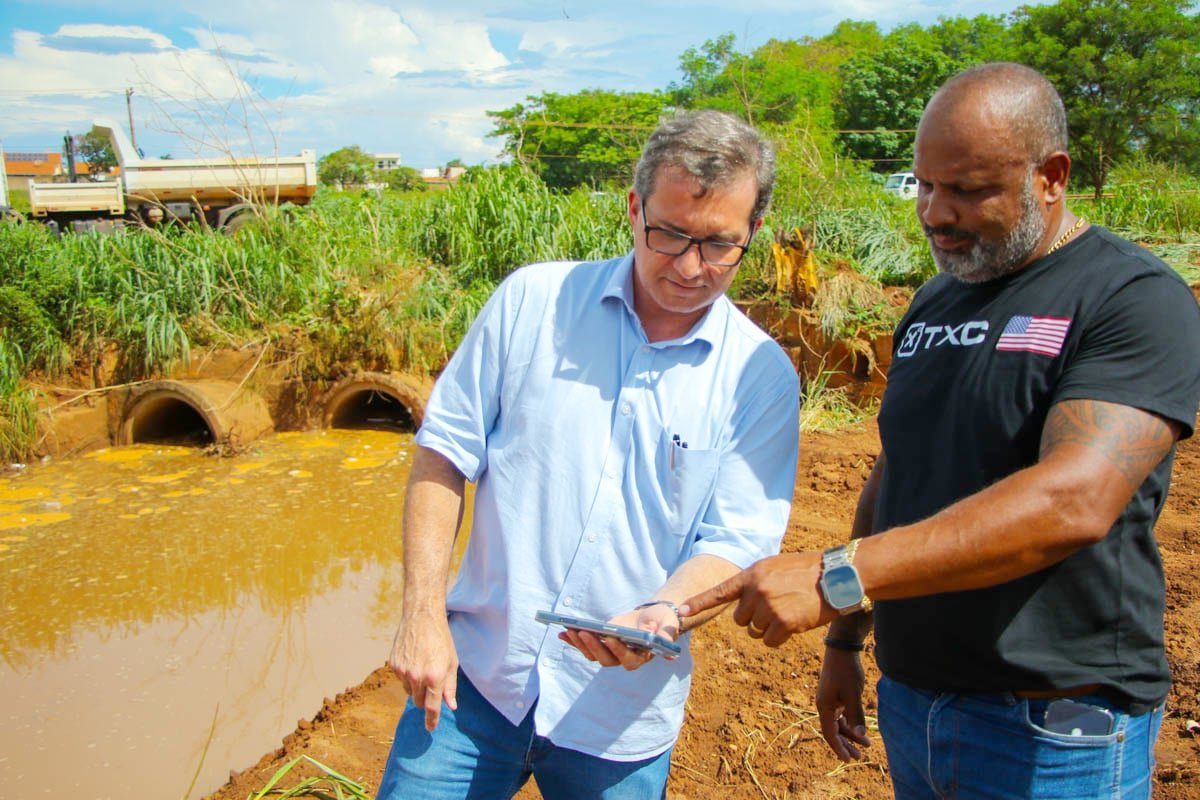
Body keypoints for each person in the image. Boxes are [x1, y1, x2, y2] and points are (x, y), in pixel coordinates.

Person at [680, 62, 1200, 799]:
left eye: (966, 189)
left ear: (1050, 176)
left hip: (1052, 727)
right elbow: (899, 471)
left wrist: (837, 578)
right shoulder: (937, 300)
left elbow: (1074, 501)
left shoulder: (1130, 298)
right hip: (915, 701)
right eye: (924, 184)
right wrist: (845, 642)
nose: (934, 212)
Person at [376, 110, 801, 800]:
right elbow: (443, 454)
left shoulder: (761, 376)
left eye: (720, 245)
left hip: (619, 719)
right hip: (475, 683)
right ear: (634, 210)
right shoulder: (533, 303)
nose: (691, 268)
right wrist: (422, 616)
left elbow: (735, 539)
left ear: (753, 234)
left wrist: (663, 612)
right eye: (669, 234)